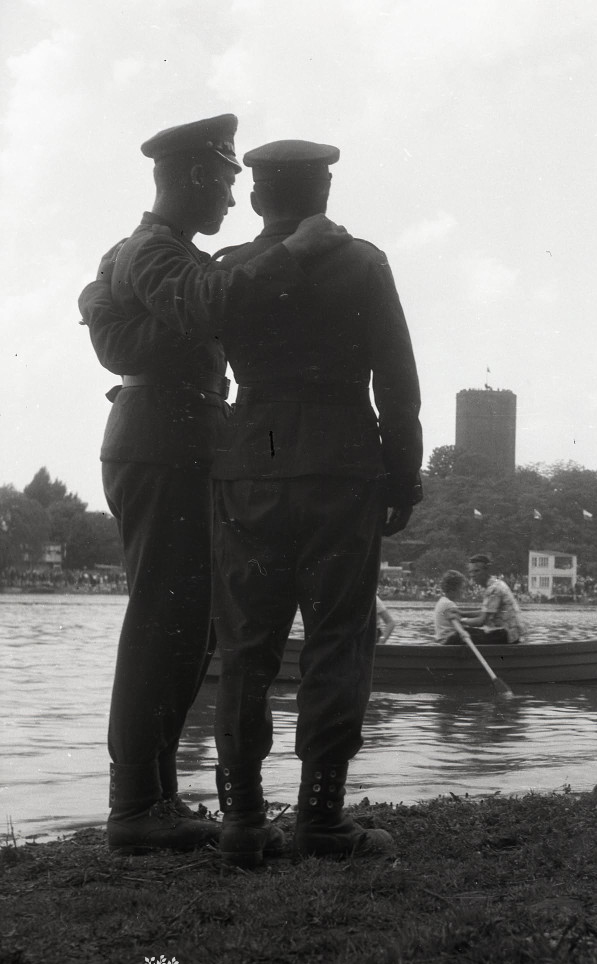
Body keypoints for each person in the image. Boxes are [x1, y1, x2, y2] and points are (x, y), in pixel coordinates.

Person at [78, 115, 349, 855]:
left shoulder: (152, 255)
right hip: (162, 443)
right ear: (198, 176)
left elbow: (139, 323)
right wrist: (293, 251)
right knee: (160, 623)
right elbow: (211, 305)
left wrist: (116, 317)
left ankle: (153, 798)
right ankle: (135, 804)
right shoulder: (155, 252)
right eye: (229, 182)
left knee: (184, 625)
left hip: (176, 440)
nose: (235, 201)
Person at [209, 139, 423, 867]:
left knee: (244, 646)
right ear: (324, 192)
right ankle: (322, 819)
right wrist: (404, 473)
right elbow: (396, 378)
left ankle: (240, 819)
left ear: (259, 198)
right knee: (338, 641)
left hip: (249, 466)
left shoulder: (230, 270)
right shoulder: (363, 262)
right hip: (340, 466)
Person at [461, 554, 526, 644]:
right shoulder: (495, 584)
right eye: (471, 572)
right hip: (506, 633)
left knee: (459, 636)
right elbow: (484, 612)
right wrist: (461, 613)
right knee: (466, 632)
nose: (473, 575)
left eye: (476, 571)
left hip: (508, 635)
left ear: (486, 570)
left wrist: (460, 621)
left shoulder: (494, 589)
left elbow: (481, 621)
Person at [433, 570, 469, 644]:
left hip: (440, 640)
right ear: (453, 590)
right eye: (462, 588)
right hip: (448, 642)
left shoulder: (442, 601)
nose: (463, 591)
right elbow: (455, 621)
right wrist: (462, 632)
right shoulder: (449, 604)